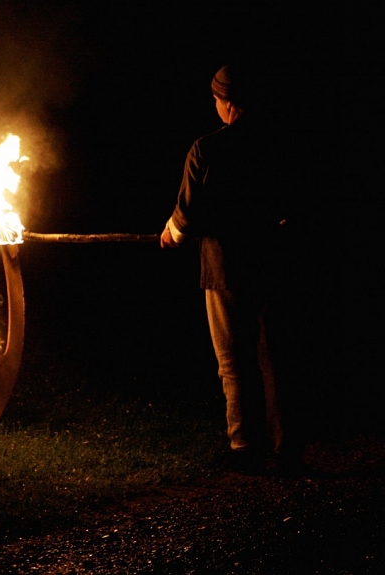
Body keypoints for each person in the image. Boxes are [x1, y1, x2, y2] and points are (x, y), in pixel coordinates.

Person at [160, 65, 298, 474]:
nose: (215, 107)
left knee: (233, 361)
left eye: (217, 100)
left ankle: (244, 447)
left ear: (228, 103)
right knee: (274, 358)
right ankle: (286, 446)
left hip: (225, 268)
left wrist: (168, 234)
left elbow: (184, 220)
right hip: (272, 262)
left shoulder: (206, 149)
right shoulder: (278, 146)